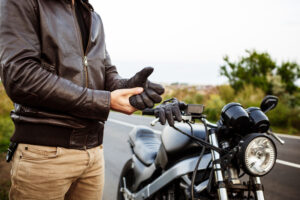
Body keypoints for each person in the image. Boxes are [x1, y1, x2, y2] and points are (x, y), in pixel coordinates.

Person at [0, 0, 172, 199]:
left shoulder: (93, 16)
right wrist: (104, 101)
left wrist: (129, 87)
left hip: (93, 155)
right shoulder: (22, 2)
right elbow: (21, 76)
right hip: (44, 156)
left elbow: (106, 73)